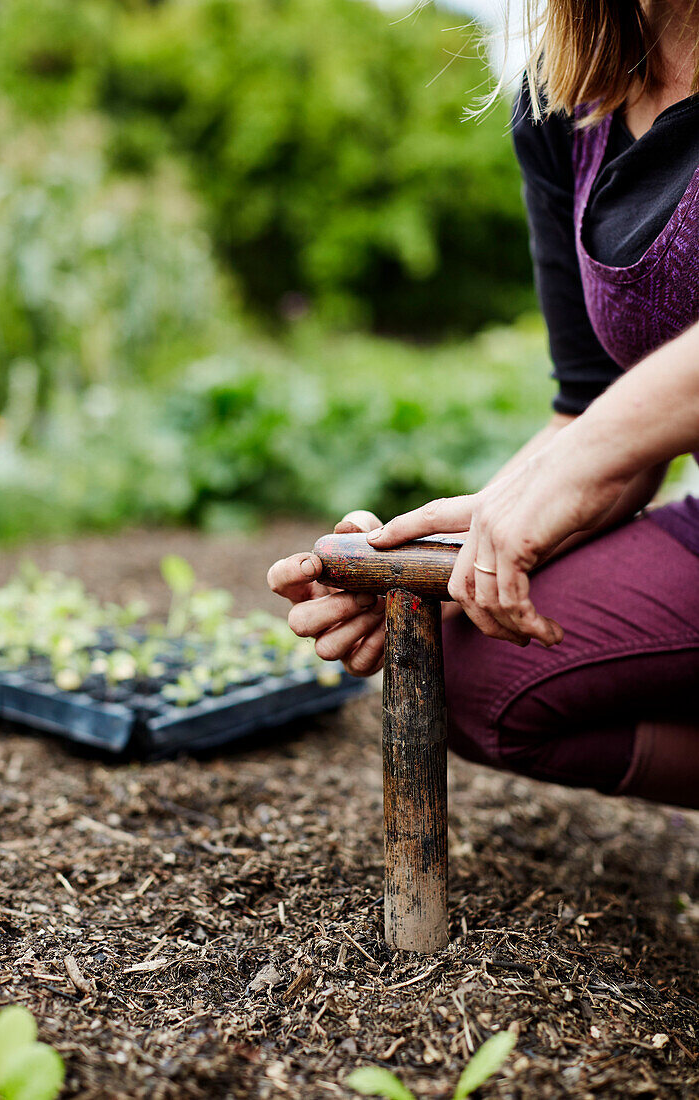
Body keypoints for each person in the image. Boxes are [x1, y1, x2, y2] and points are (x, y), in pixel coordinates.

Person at [267, 0, 699, 810]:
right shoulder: (563, 101)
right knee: (474, 671)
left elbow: (598, 442)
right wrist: (420, 559)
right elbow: (589, 412)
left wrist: (586, 454)